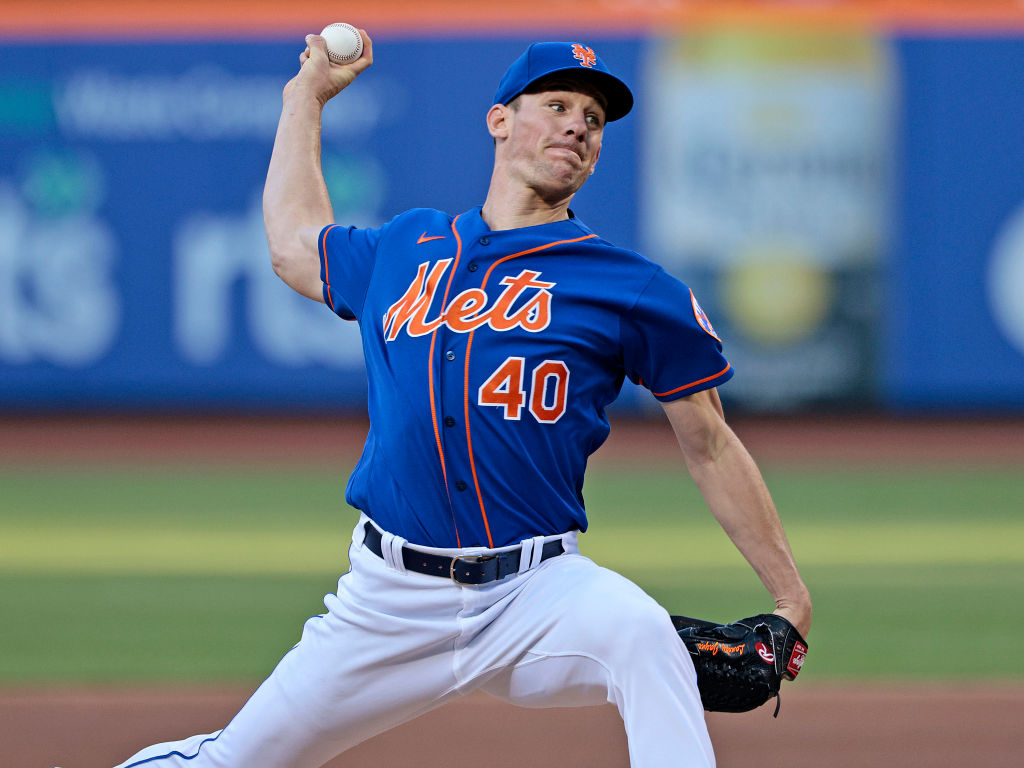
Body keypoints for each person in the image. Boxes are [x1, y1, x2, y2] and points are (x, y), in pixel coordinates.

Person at [112, 30, 811, 768]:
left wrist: (790, 597)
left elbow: (709, 443)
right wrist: (304, 99)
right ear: (500, 120)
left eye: (594, 120)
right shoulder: (407, 248)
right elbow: (293, 244)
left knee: (644, 639)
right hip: (386, 603)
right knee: (233, 762)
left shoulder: (630, 288)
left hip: (537, 593)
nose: (578, 124)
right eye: (557, 104)